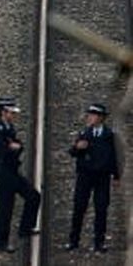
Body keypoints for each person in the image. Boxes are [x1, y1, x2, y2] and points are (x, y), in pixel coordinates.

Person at [0, 97, 41, 252]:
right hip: (4, 174)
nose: (14, 115)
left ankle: (25, 228)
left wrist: (15, 147)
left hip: (13, 172)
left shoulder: (9, 129)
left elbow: (18, 146)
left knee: (33, 196)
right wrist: (12, 148)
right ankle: (0, 243)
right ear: (3, 112)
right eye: (11, 112)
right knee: (5, 208)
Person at [68, 102, 120, 252]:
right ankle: (74, 240)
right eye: (89, 114)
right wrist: (77, 148)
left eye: (93, 115)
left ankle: (99, 242)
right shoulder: (85, 133)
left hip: (102, 177)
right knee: (79, 207)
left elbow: (115, 157)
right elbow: (72, 152)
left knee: (101, 209)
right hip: (85, 176)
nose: (89, 117)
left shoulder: (109, 136)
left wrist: (116, 176)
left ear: (101, 118)